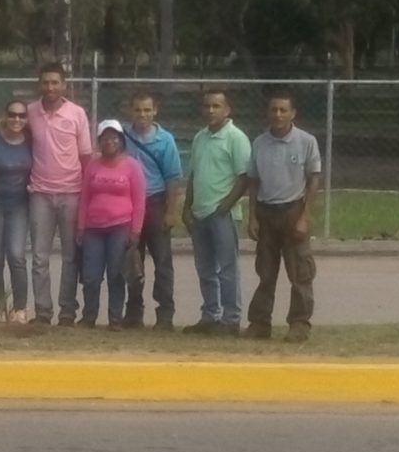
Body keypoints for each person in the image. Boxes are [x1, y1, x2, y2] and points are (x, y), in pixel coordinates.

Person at [245, 89, 321, 343]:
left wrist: (304, 217)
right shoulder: (259, 143)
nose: (278, 115)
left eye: (283, 110)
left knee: (300, 272)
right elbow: (253, 182)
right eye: (273, 110)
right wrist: (252, 217)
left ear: (293, 113)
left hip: (293, 211)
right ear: (267, 113)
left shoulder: (306, 141)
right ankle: (259, 323)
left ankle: (299, 324)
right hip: (267, 212)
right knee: (265, 272)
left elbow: (313, 180)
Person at [181, 88, 252, 337]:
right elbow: (193, 175)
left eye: (216, 106)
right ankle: (210, 315)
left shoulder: (236, 138)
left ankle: (231, 319)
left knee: (227, 268)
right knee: (206, 269)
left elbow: (244, 177)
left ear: (227, 109)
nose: (211, 110)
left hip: (223, 215)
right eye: (207, 106)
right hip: (199, 214)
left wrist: (226, 206)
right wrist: (186, 207)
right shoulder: (200, 137)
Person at [27, 62, 92, 326]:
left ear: (64, 85)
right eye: (46, 82)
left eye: (55, 82)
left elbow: (86, 157)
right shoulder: (31, 112)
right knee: (40, 257)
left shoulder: (77, 114)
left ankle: (67, 311)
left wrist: (86, 195)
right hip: (40, 193)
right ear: (39, 84)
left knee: (70, 257)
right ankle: (43, 311)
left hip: (72, 193)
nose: (50, 87)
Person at [76, 120, 146, 330]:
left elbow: (139, 200)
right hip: (93, 228)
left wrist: (136, 230)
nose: (110, 142)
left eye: (114, 137)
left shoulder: (132, 166)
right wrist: (80, 226)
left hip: (120, 226)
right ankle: (89, 316)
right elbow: (85, 197)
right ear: (99, 141)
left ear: (121, 140)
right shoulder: (93, 165)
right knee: (90, 275)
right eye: (105, 138)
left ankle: (115, 318)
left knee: (116, 274)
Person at [122, 91, 183, 330]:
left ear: (155, 111)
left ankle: (165, 314)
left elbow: (173, 178)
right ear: (130, 111)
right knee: (132, 261)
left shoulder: (165, 140)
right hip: (129, 206)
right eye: (138, 110)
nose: (142, 115)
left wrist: (171, 210)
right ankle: (134, 312)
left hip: (156, 202)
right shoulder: (123, 137)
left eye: (147, 110)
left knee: (163, 262)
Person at [0, 99, 32, 323]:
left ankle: (19, 308)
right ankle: (0, 308)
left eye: (22, 116)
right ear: (5, 115)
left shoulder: (31, 141)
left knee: (17, 255)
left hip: (19, 205)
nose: (17, 119)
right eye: (12, 114)